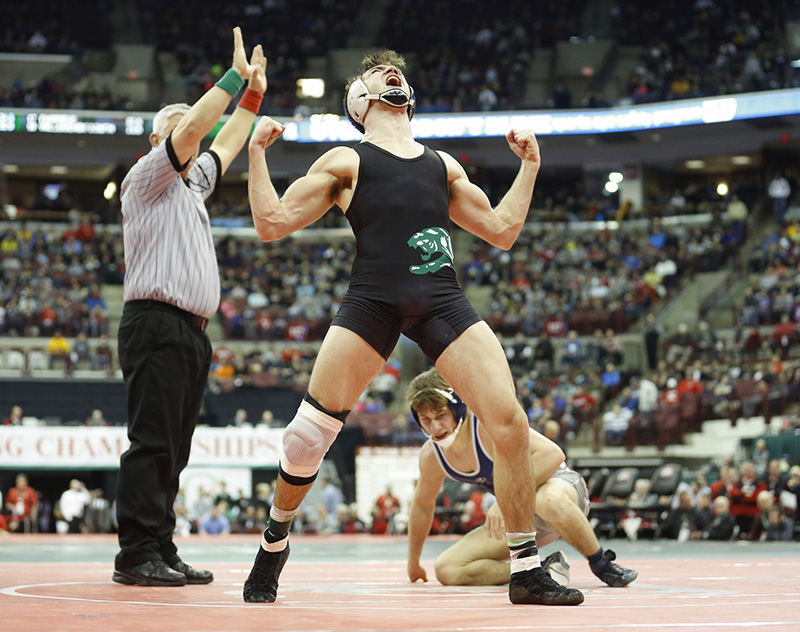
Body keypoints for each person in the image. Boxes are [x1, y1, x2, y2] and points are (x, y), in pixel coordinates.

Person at [242, 49, 579, 605]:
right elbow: (271, 222)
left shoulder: (443, 165)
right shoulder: (346, 160)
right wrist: (256, 153)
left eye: (395, 71)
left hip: (441, 300)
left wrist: (530, 168)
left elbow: (500, 229)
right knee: (306, 437)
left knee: (510, 422)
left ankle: (525, 569)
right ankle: (274, 542)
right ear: (359, 100)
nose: (390, 73)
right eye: (376, 73)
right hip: (373, 298)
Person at [113, 27, 267, 588]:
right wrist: (231, 78)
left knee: (175, 448)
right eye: (183, 131)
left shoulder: (190, 185)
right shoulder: (147, 177)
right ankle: (134, 554)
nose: (195, 139)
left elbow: (225, 142)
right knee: (152, 441)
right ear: (162, 138)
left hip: (189, 330)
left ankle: (159, 545)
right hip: (155, 321)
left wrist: (253, 93)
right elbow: (203, 126)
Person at [404, 367, 638, 591]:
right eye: (425, 419)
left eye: (441, 415)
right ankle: (541, 568)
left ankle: (602, 563)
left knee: (548, 500)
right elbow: (423, 505)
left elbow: (552, 454)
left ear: (456, 408)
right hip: (520, 515)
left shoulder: (486, 425)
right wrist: (413, 561)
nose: (435, 427)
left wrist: (505, 499)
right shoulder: (431, 456)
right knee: (448, 569)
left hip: (560, 491)